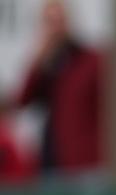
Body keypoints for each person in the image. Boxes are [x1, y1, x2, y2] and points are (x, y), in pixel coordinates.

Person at [14, 0, 105, 175]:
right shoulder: (45, 65)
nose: (55, 29)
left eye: (59, 21)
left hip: (85, 165)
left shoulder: (92, 61)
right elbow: (23, 100)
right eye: (49, 22)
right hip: (52, 164)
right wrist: (37, 62)